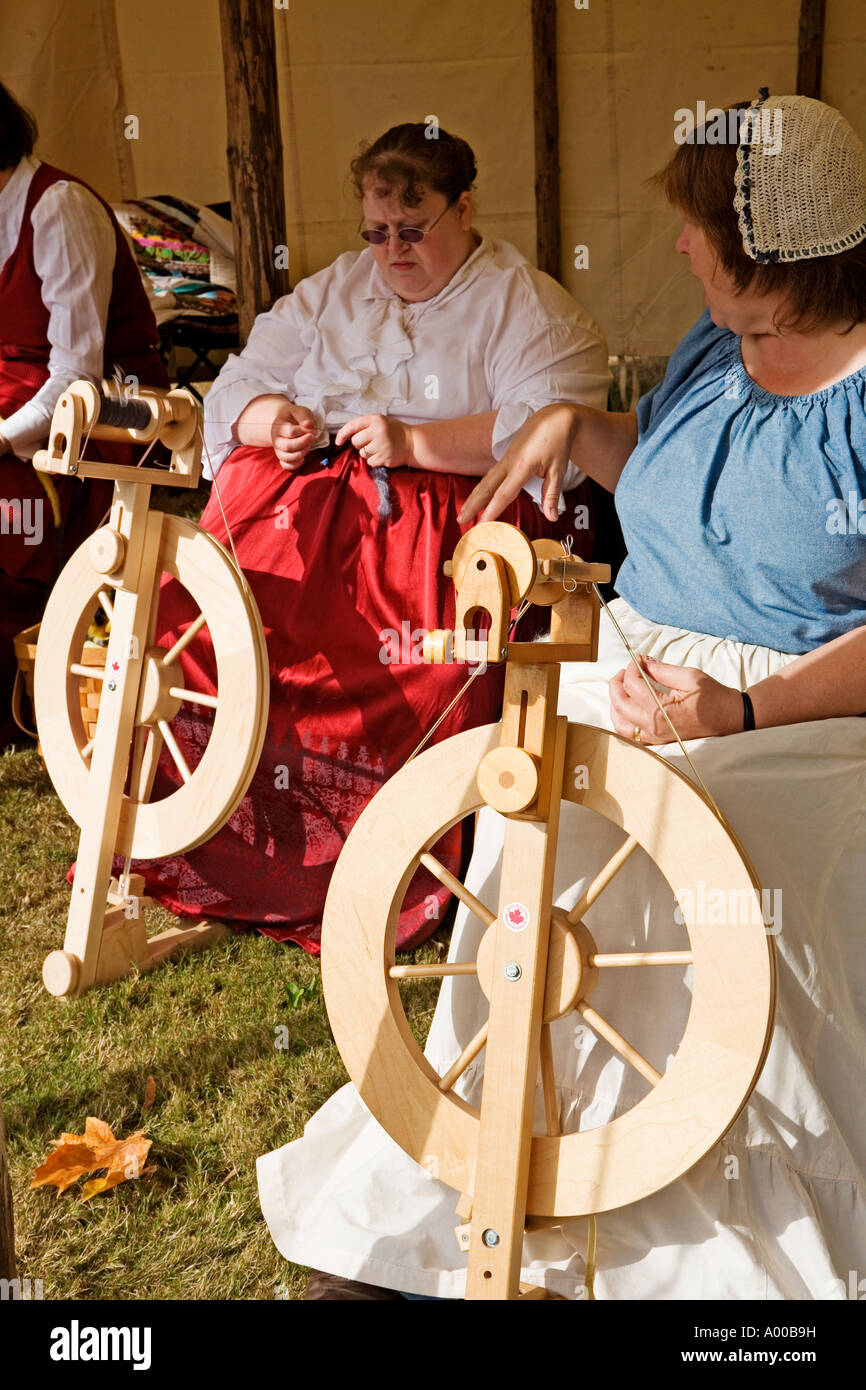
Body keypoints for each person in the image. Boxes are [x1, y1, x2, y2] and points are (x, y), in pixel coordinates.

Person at [257, 92, 866, 1299]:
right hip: (640, 659)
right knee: (533, 801)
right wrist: (576, 428)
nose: (682, 246)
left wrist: (738, 711)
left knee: (711, 850)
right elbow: (675, 469)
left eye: (698, 228)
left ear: (765, 251)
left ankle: (686, 1200)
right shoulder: (718, 343)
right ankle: (493, 1148)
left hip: (804, 713)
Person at [136, 123, 609, 955]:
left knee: (409, 661)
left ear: (464, 208)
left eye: (413, 230)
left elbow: (546, 433)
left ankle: (369, 870)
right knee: (209, 629)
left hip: (444, 521)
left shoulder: (521, 303)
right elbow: (242, 379)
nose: (392, 250)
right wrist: (270, 420)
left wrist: (413, 442)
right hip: (312, 501)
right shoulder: (335, 291)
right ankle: (221, 842)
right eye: (377, 232)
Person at [0, 80, 169, 747]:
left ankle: (31, 666)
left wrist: (3, 438)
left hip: (115, 407)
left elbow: (79, 375)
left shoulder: (59, 208)